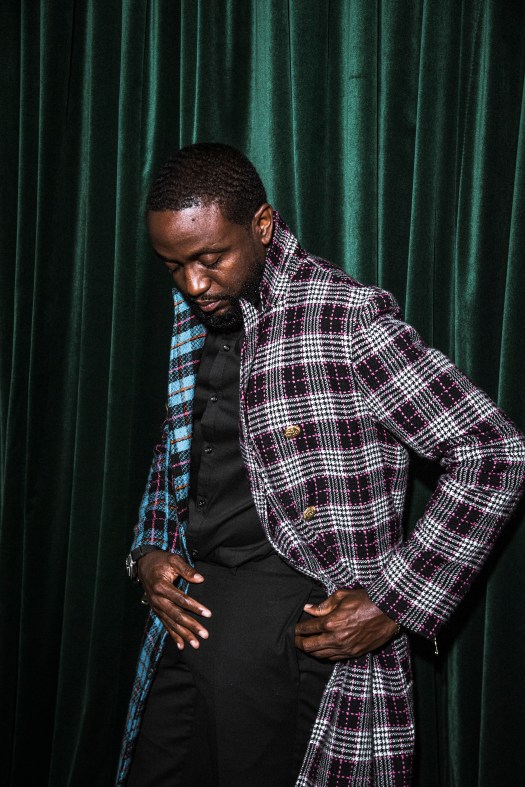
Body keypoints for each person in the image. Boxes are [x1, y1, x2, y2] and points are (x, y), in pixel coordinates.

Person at [116, 143, 525, 787]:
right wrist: (147, 551)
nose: (193, 284)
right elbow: (179, 450)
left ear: (262, 225)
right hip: (187, 617)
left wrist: (396, 603)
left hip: (285, 626)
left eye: (210, 259)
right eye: (174, 266)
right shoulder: (201, 306)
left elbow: (492, 452)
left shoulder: (342, 317)